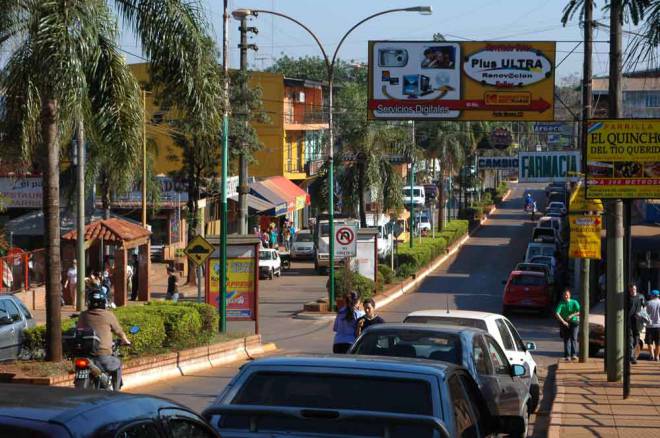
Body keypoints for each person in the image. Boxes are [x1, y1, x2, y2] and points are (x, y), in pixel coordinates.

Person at [76, 288, 131, 390]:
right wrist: (125, 340)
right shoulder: (108, 315)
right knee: (118, 363)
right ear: (104, 302)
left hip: (85, 355)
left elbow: (78, 328)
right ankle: (116, 392)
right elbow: (119, 331)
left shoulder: (83, 315)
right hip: (103, 356)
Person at [555, 288, 580, 361]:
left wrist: (572, 315)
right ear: (563, 296)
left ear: (570, 295)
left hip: (574, 321)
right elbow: (557, 313)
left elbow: (579, 311)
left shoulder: (574, 302)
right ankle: (567, 355)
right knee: (566, 339)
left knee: (574, 338)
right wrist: (563, 321)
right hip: (565, 323)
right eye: (564, 295)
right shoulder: (561, 303)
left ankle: (574, 354)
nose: (566, 296)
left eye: (567, 295)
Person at [628, 283, 646, 364]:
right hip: (629, 321)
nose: (633, 291)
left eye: (634, 289)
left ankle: (633, 356)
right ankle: (632, 357)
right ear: (629, 290)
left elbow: (644, 307)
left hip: (638, 322)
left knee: (636, 340)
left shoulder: (640, 297)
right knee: (630, 340)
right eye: (631, 290)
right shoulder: (627, 298)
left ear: (636, 289)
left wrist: (642, 315)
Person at [645, 290, 660, 361]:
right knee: (658, 342)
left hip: (650, 326)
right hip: (659, 326)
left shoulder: (648, 303)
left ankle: (652, 355)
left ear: (652, 295)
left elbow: (645, 314)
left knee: (649, 342)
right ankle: (657, 356)